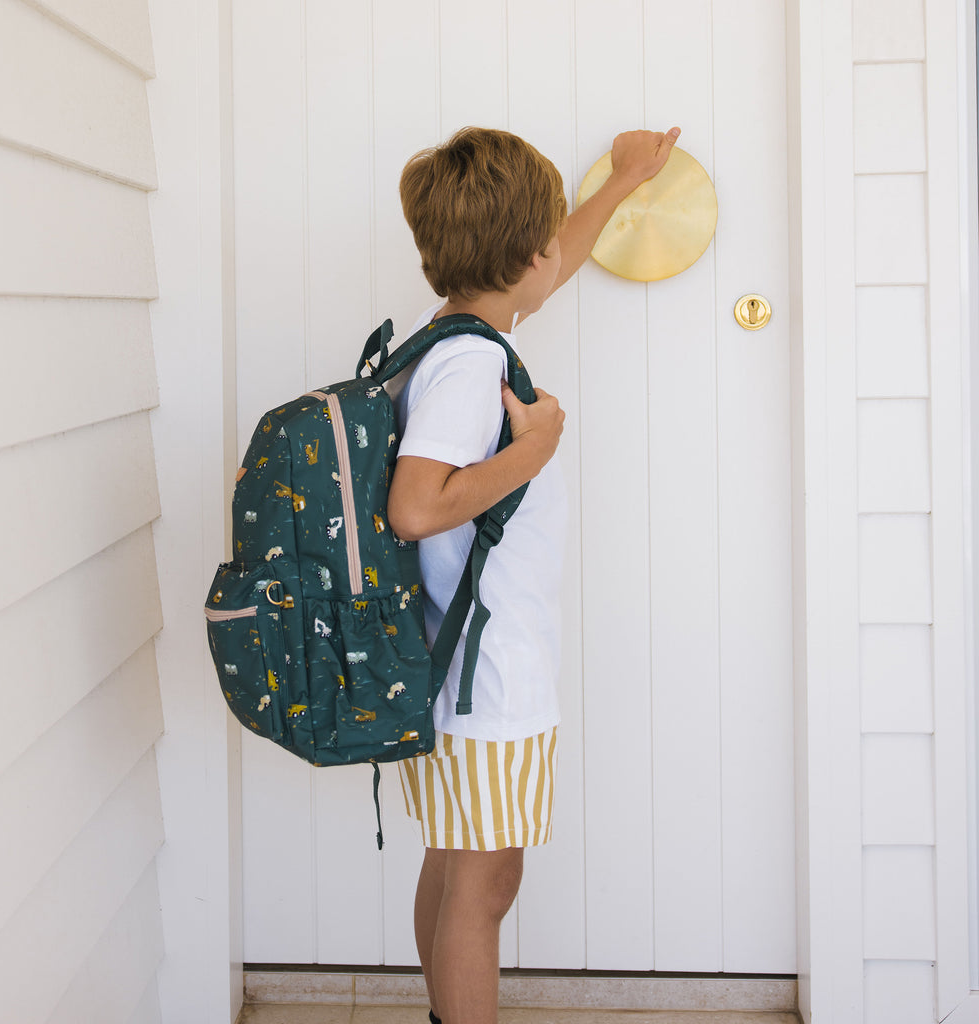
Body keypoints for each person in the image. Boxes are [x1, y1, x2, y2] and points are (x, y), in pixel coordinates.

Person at [387, 124, 681, 1024]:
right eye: (553, 237)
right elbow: (415, 506)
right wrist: (537, 449)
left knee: (454, 863)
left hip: (450, 666)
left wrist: (625, 180)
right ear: (528, 252)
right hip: (487, 678)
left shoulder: (451, 335)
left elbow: (540, 277)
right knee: (486, 885)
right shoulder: (475, 367)